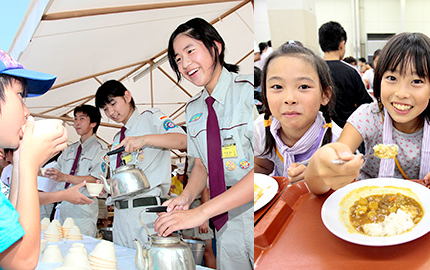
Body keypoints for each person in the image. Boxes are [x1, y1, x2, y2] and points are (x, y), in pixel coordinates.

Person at [304, 32, 430, 195]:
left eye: (416, 81)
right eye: (392, 78)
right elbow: (336, 158)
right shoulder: (368, 117)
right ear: (379, 80)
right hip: (368, 199)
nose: (402, 93)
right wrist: (322, 165)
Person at [155, 17, 254, 269]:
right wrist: (187, 198)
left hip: (258, 212)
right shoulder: (193, 109)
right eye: (177, 59)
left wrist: (201, 212)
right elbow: (202, 164)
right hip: (225, 222)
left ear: (215, 47)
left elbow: (264, 168)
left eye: (190, 51)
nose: (185, 63)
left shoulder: (249, 92)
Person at [0, 43, 67, 269]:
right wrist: (30, 164)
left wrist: (20, 162)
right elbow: (22, 260)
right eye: (20, 95)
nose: (26, 111)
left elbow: (10, 225)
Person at [96, 79, 186, 249]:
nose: (111, 112)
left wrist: (144, 140)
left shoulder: (151, 119)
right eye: (106, 109)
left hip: (146, 213)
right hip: (120, 215)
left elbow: (183, 141)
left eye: (113, 103)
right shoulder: (117, 139)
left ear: (127, 96)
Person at [254, 44, 340, 183]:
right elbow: (262, 166)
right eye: (277, 87)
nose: (290, 99)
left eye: (304, 87)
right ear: (264, 94)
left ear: (325, 95)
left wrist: (317, 179)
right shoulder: (260, 130)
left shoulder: (336, 141)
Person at [43, 105, 106, 237]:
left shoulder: (100, 149)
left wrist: (65, 177)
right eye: (75, 119)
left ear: (93, 123)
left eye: (81, 119)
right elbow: (56, 171)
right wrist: (39, 170)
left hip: (83, 209)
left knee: (81, 247)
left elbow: (96, 179)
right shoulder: (70, 149)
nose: (76, 123)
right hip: (64, 206)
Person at [319, 21, 374, 127]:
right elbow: (366, 104)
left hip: (319, 133)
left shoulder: (313, 70)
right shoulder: (351, 72)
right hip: (348, 131)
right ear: (342, 44)